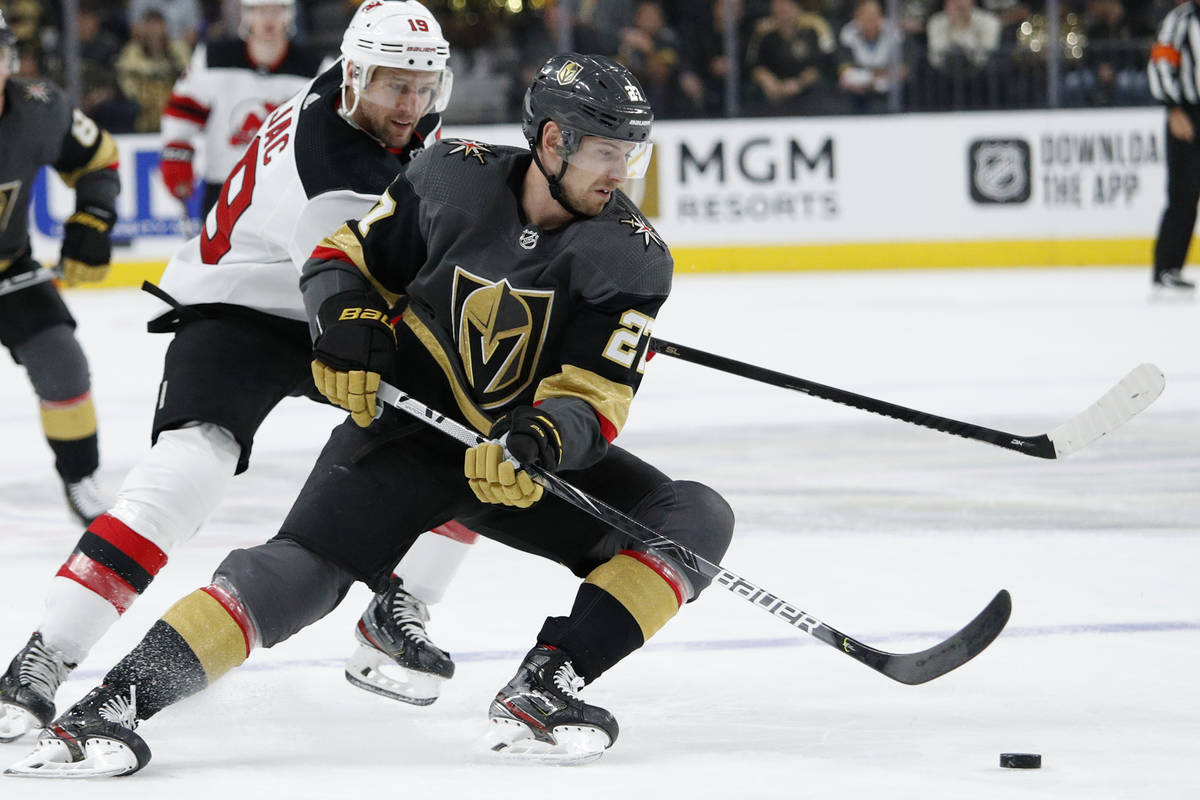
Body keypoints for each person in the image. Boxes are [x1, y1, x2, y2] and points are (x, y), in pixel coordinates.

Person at [4, 52, 735, 776]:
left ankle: (547, 682)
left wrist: (545, 438)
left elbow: (596, 394)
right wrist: (348, 323)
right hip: (406, 439)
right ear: (553, 141)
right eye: (608, 153)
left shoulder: (633, 258)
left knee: (695, 517)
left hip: (511, 458)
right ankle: (111, 705)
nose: (622, 174)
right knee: (297, 579)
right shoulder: (454, 174)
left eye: (631, 155)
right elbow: (343, 257)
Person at [0, 0, 468, 745]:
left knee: (473, 423)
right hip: (242, 307)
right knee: (189, 471)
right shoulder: (333, 165)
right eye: (392, 85)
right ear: (352, 77)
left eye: (423, 85)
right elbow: (370, 281)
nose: (410, 105)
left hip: (327, 292)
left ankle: (401, 600)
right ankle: (43, 657)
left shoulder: (372, 103)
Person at [0, 10, 119, 527]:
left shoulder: (39, 108)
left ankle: (80, 476)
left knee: (63, 363)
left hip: (9, 269)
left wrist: (92, 219)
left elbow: (99, 158)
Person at [160, 0, 327, 216]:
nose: (269, 19)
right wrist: (177, 160)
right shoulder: (212, 59)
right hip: (223, 187)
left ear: (289, 15)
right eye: (261, 11)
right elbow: (181, 115)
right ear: (246, 15)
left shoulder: (316, 68)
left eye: (277, 10)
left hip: (286, 192)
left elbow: (325, 130)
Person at [1147, 0, 1200, 291]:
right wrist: (1174, 108)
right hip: (1189, 115)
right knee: (1183, 194)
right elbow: (1160, 64)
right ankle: (1167, 267)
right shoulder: (1180, 20)